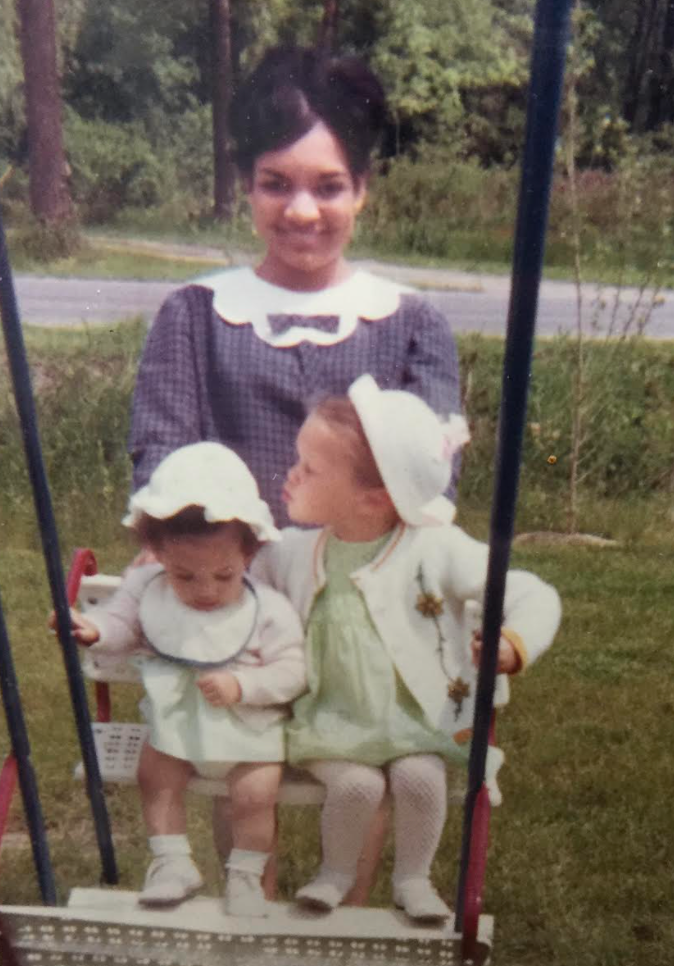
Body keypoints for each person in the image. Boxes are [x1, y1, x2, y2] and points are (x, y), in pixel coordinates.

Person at [252, 375, 562, 923]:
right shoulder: (293, 552)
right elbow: (236, 585)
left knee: (421, 778)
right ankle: (335, 875)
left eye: (310, 468)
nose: (291, 475)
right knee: (356, 784)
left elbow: (533, 593)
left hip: (414, 722)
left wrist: (513, 643)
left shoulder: (433, 548)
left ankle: (413, 879)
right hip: (333, 721)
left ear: (374, 498)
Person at [128, 45, 463, 528]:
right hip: (227, 588)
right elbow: (161, 464)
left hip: (367, 587)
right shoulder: (194, 315)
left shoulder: (412, 324)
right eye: (277, 184)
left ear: (361, 189)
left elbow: (431, 484)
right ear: (247, 183)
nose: (302, 211)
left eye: (328, 188)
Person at [54, 443, 306, 916]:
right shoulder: (146, 590)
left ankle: (246, 878)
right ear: (158, 553)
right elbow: (123, 624)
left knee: (256, 795)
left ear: (249, 551)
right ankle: (172, 862)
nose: (206, 589)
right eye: (185, 576)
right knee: (155, 774)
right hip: (178, 724)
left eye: (223, 574)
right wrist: (95, 630)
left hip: (248, 727)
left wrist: (243, 687)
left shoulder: (267, 608)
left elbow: (293, 671)